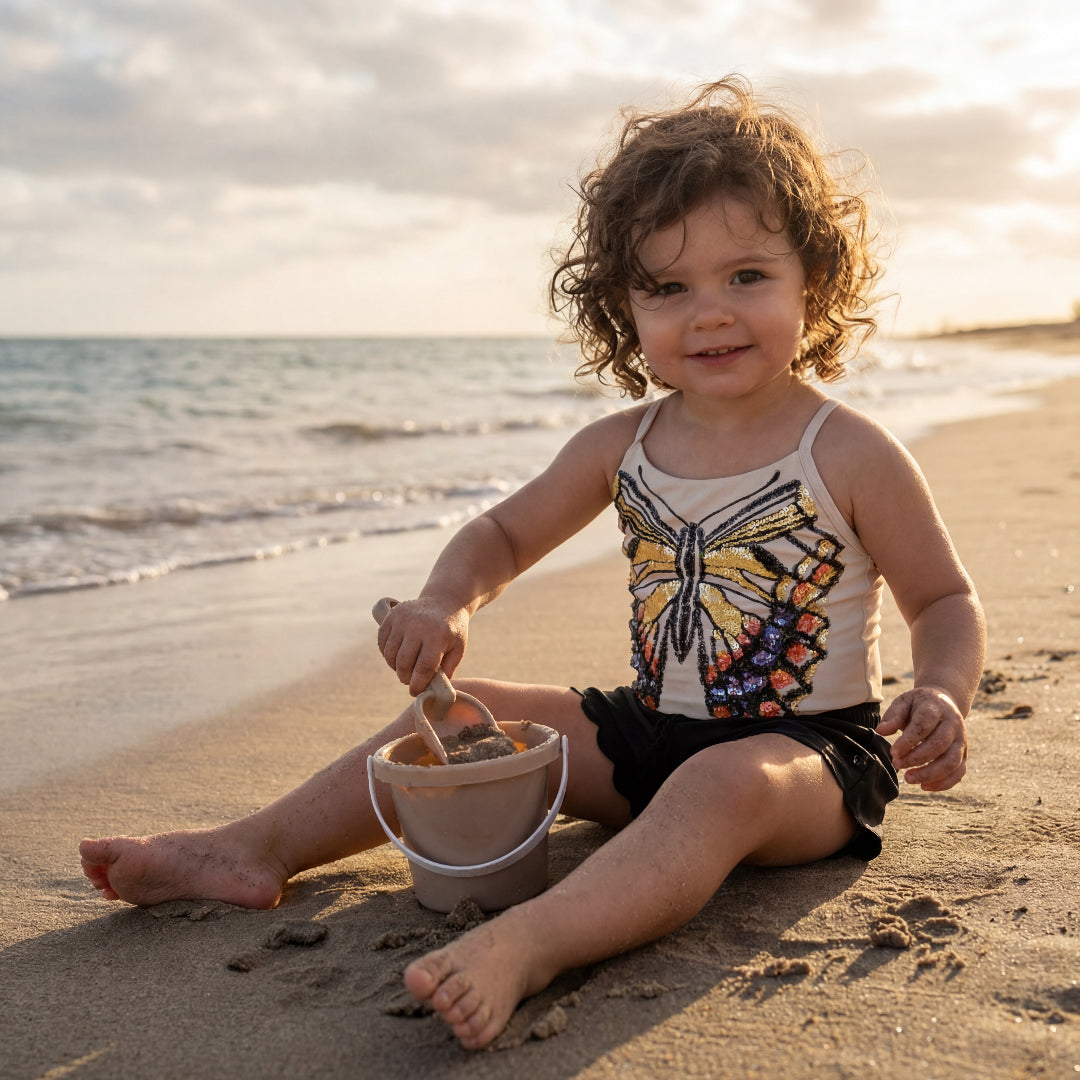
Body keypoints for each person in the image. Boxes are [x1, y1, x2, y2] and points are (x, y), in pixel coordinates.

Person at [80, 76, 985, 1051]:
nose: (709, 313)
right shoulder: (622, 444)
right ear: (620, 306)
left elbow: (941, 596)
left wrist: (942, 692)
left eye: (747, 277)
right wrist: (446, 601)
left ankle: (530, 945)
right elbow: (501, 537)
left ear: (815, 278)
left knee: (722, 787)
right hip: (652, 732)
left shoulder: (846, 449)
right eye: (669, 288)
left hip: (806, 763)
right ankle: (254, 847)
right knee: (470, 719)